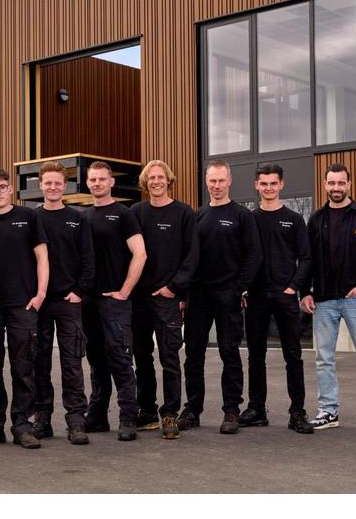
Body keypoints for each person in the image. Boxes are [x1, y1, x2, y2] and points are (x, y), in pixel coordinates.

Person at [179, 160, 262, 435]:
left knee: (229, 352)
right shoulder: (197, 216)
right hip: (197, 295)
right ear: (206, 181)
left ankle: (231, 410)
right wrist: (184, 293)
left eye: (221, 180)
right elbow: (188, 256)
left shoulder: (242, 215)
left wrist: (238, 288)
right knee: (193, 355)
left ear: (229, 181)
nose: (216, 185)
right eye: (212, 181)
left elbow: (254, 256)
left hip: (228, 294)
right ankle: (192, 410)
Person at [302, 163, 356, 435]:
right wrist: (306, 291)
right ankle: (328, 411)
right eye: (331, 183)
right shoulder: (316, 220)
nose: (336, 187)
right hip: (324, 300)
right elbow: (307, 259)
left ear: (348, 184)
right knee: (323, 359)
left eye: (341, 183)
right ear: (325, 185)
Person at [0, 167, 49, 450]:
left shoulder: (29, 217)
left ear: (11, 189)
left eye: (3, 187)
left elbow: (42, 257)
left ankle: (22, 425)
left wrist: (40, 294)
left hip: (22, 304)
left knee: (23, 367)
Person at [241, 163, 314, 434]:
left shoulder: (293, 219)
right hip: (256, 297)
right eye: (264, 183)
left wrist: (293, 288)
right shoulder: (249, 219)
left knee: (293, 355)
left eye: (273, 183)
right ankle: (256, 409)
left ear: (281, 184)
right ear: (256, 185)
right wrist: (243, 287)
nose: (269, 188)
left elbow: (306, 258)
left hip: (285, 297)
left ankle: (297, 413)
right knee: (255, 356)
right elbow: (242, 256)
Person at [130, 159, 198, 440]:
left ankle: (169, 413)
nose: (156, 181)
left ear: (169, 180)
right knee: (141, 356)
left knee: (169, 357)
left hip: (167, 298)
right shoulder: (135, 213)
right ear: (145, 183)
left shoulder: (184, 213)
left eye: (160, 177)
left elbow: (192, 256)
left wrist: (174, 288)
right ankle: (146, 410)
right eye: (151, 178)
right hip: (139, 298)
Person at [82, 160, 147, 441]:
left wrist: (125, 290)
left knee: (120, 358)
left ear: (111, 182)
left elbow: (140, 254)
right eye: (93, 179)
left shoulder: (123, 214)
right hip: (89, 301)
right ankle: (97, 416)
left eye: (102, 179)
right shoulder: (83, 216)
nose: (97, 183)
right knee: (96, 360)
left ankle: (128, 418)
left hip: (115, 301)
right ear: (88, 183)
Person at [33, 161, 94, 446]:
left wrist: (80, 291)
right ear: (40, 185)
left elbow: (88, 258)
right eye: (48, 183)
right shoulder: (32, 218)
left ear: (65, 186)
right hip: (40, 303)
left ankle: (76, 421)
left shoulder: (77, 219)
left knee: (72, 363)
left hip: (69, 301)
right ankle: (42, 419)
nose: (53, 187)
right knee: (39, 361)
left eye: (58, 183)